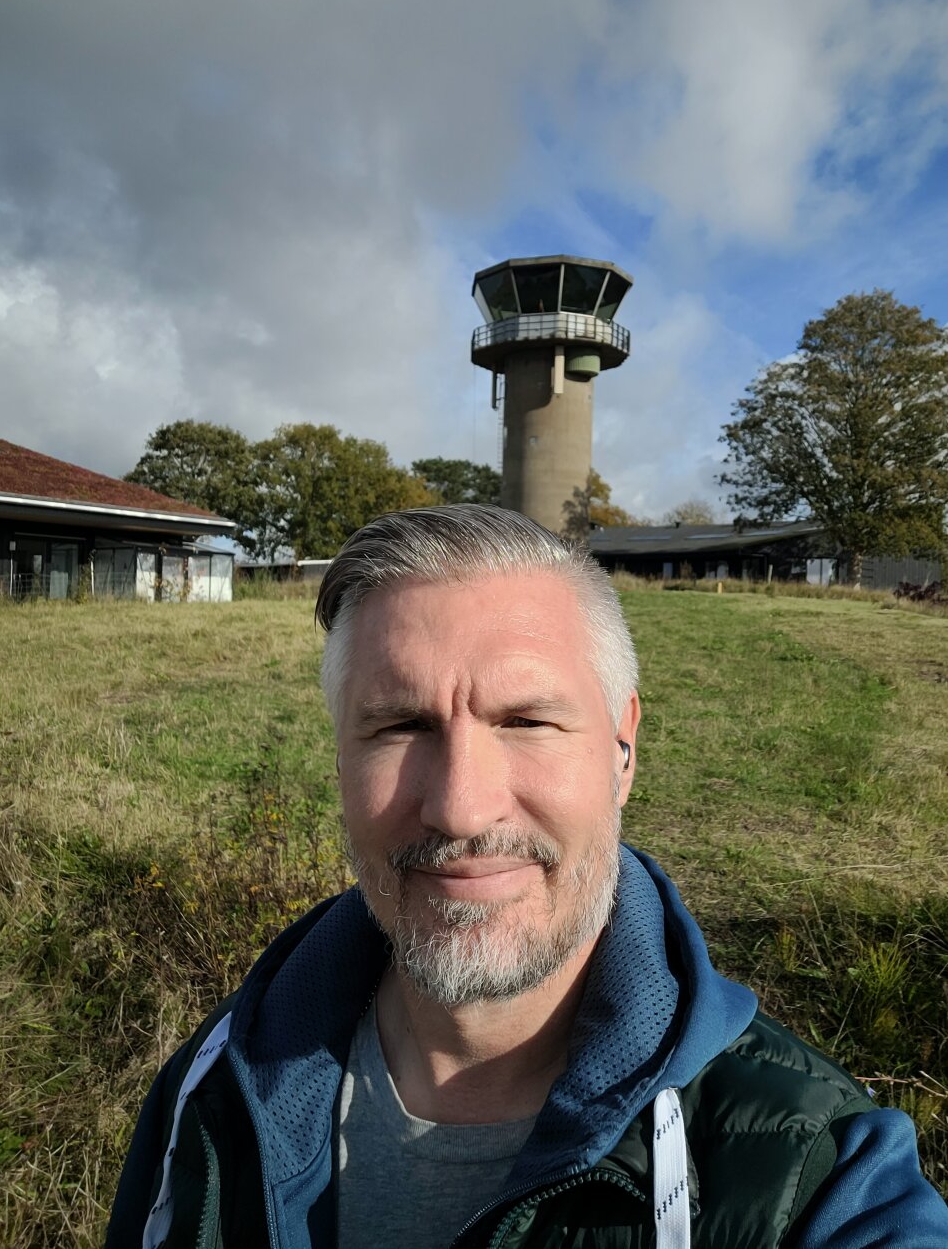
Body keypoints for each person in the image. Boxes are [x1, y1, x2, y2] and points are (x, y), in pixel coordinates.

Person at [107, 505, 948, 1248]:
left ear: (621, 749)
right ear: (338, 759)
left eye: (526, 721)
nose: (461, 808)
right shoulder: (210, 1088)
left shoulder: (814, 1169)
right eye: (399, 726)